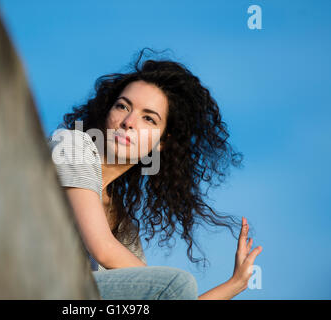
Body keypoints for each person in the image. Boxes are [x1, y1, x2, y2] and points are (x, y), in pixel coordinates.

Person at [47, 48, 262, 300]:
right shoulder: (71, 145)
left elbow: (153, 295)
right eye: (122, 106)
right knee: (176, 283)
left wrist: (233, 285)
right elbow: (104, 250)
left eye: (148, 119)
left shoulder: (123, 226)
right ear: (106, 112)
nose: (129, 121)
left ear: (162, 142)